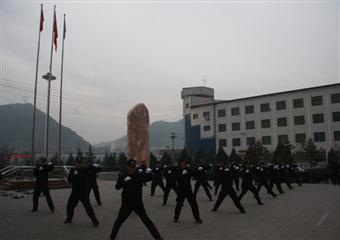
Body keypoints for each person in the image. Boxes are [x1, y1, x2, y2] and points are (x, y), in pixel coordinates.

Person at [110, 159, 163, 240]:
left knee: (147, 221)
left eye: (133, 167)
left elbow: (148, 178)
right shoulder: (123, 175)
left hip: (137, 203)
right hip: (126, 203)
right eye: (130, 167)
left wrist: (150, 173)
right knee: (119, 221)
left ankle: (158, 238)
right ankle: (112, 237)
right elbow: (117, 187)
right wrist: (124, 181)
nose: (132, 169)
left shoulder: (139, 174)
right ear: (127, 167)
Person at [64, 158, 99, 227]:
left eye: (80, 163)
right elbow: (69, 179)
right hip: (74, 192)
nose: (79, 164)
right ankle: (69, 218)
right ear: (75, 163)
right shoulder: (73, 170)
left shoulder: (84, 170)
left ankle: (95, 220)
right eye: (77, 162)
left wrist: (93, 165)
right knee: (70, 206)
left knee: (87, 206)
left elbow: (94, 169)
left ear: (82, 163)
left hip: (83, 192)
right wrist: (71, 181)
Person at [174, 158, 203, 224]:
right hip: (181, 190)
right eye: (182, 163)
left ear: (186, 164)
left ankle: (197, 218)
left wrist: (198, 169)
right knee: (179, 205)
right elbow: (176, 178)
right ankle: (176, 217)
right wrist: (182, 174)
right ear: (180, 164)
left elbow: (195, 174)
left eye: (185, 164)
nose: (184, 165)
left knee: (194, 205)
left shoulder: (188, 170)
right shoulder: (178, 170)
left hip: (188, 190)